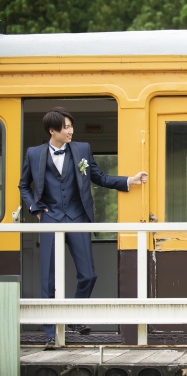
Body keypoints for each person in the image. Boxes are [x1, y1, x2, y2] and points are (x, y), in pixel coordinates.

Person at [19, 107, 149, 349]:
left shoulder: (82, 149)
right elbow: (23, 185)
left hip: (78, 217)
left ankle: (74, 316)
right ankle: (50, 333)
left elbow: (98, 177)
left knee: (89, 274)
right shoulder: (34, 153)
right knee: (48, 279)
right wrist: (35, 208)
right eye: (66, 127)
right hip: (51, 219)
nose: (71, 131)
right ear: (52, 130)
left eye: (71, 126)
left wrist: (128, 180)